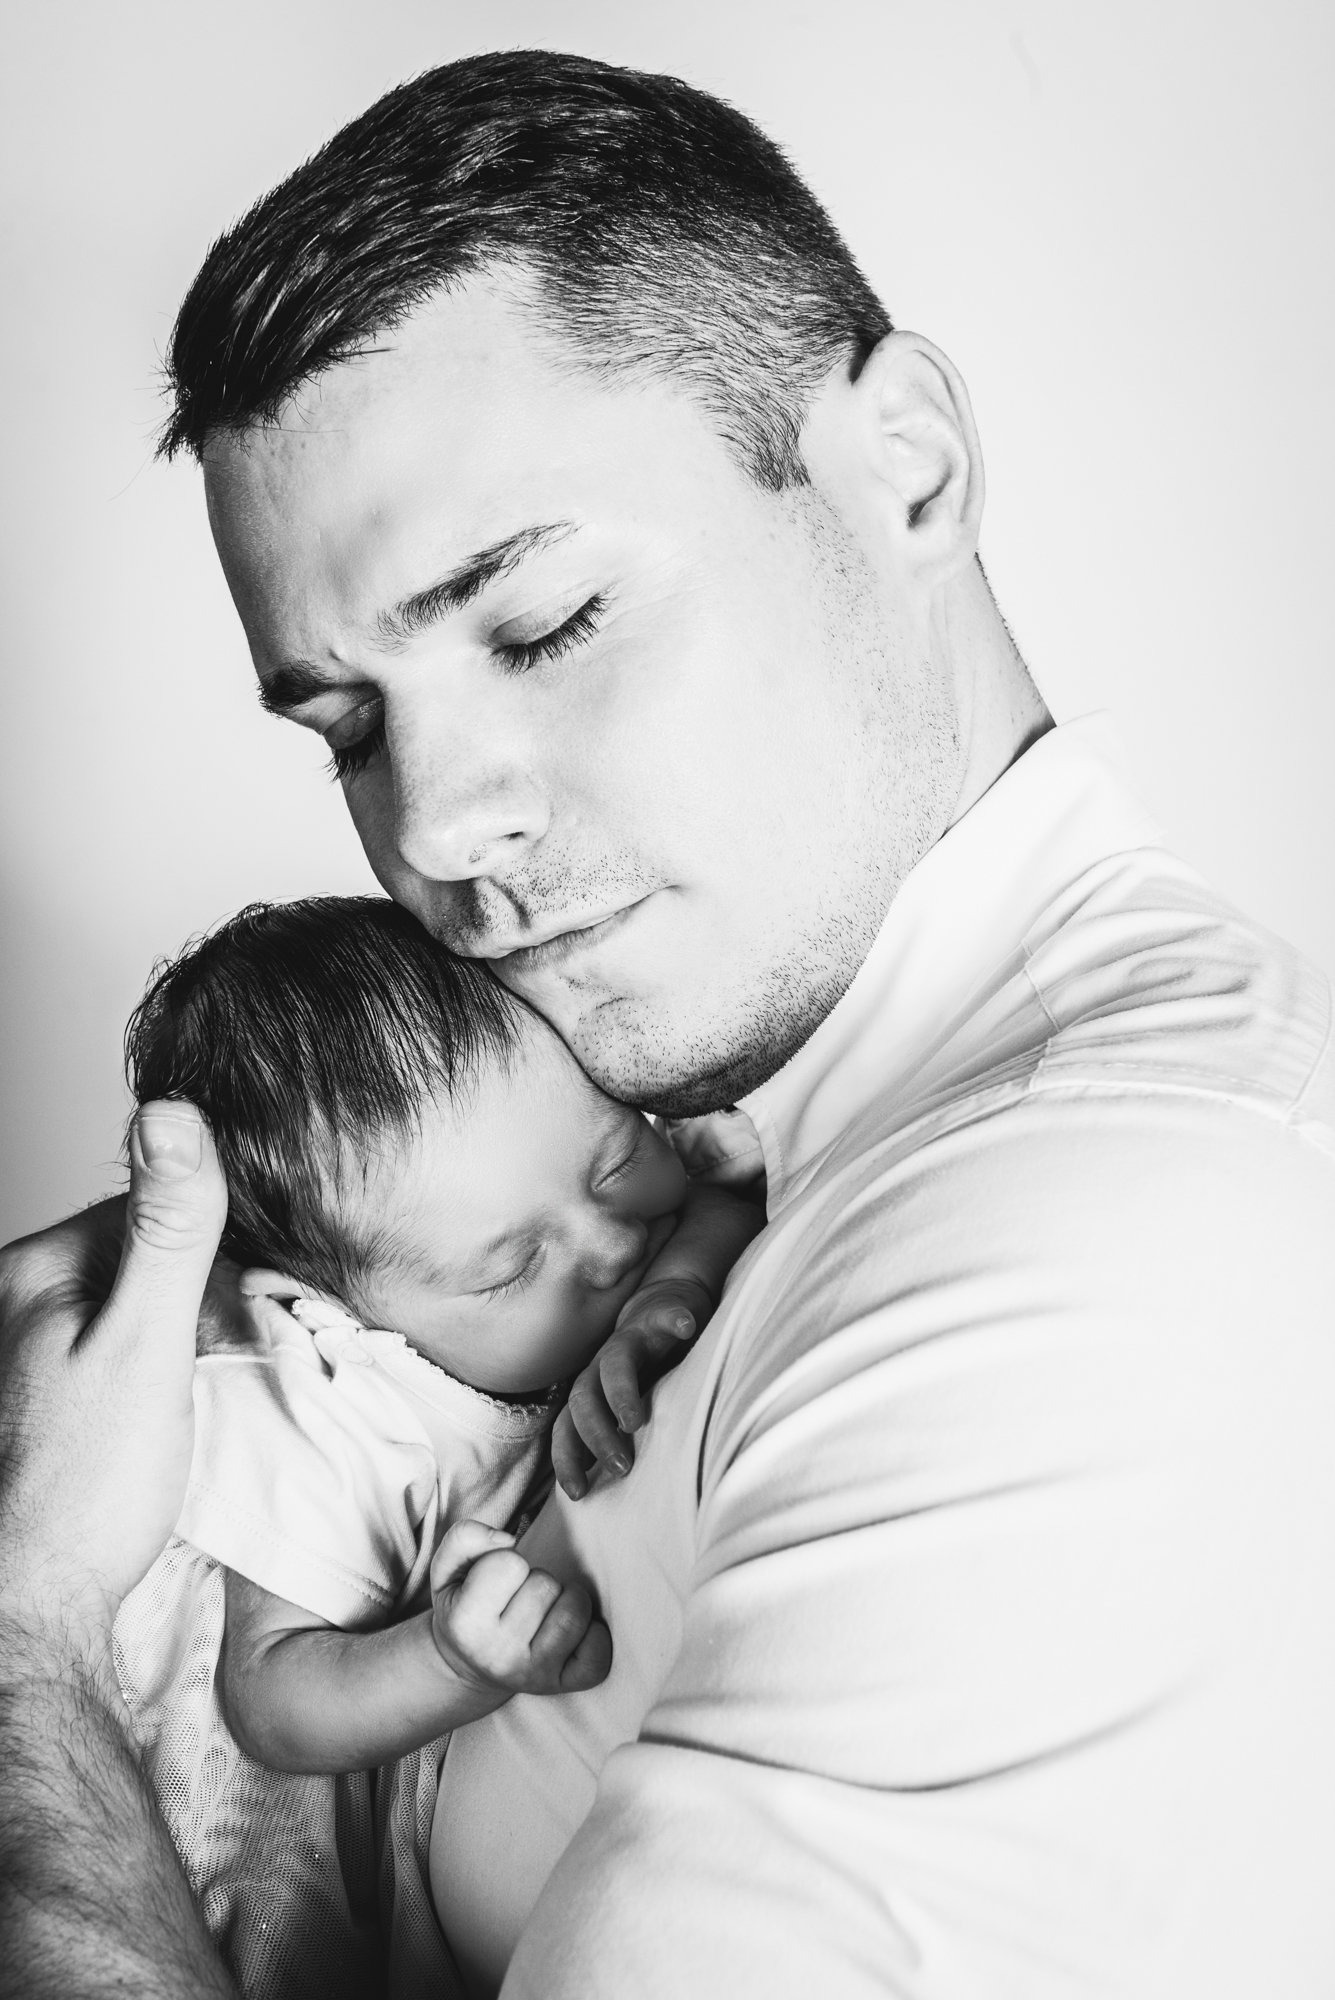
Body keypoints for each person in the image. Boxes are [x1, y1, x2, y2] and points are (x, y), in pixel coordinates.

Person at [2, 47, 1334, 2000]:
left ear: (907, 467)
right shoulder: (760, 1123)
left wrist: (34, 1642)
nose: (434, 829)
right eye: (348, 727)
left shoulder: (1104, 1254)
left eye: (536, 626)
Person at [112, 894, 759, 1997]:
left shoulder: (591, 1218)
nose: (609, 1247)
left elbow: (716, 1194)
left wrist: (679, 1285)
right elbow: (269, 1701)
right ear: (332, 1303)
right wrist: (449, 1662)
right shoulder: (316, 1400)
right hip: (247, 1840)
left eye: (612, 1163)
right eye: (510, 1269)